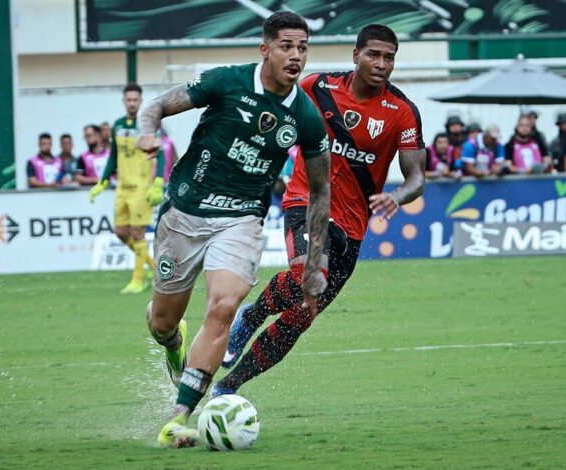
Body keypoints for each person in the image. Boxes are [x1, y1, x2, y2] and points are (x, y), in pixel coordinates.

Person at [135, 12, 331, 448]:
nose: (295, 55)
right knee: (162, 322)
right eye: (286, 45)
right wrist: (146, 133)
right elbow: (157, 106)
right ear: (265, 49)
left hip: (242, 220)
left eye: (302, 47)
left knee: (224, 305)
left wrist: (316, 261)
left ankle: (178, 416)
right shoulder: (226, 81)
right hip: (184, 214)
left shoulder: (305, 115)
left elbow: (321, 190)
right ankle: (173, 342)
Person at [213, 24, 426, 400]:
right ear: (355, 55)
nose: (381, 64)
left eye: (389, 57)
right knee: (306, 276)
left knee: (302, 315)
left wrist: (398, 195)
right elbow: (275, 121)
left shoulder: (402, 112)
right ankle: (250, 317)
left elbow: (417, 178)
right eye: (373, 55)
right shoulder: (317, 88)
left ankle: (229, 386)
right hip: (306, 200)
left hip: (354, 228)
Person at [89, 84, 163, 294]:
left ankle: (138, 280)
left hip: (142, 188)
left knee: (138, 234)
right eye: (128, 100)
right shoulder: (118, 125)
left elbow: (161, 153)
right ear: (124, 101)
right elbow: (114, 155)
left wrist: (157, 181)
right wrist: (102, 181)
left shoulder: (148, 125)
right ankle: (152, 265)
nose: (132, 103)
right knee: (121, 232)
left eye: (135, 100)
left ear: (140, 101)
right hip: (123, 188)